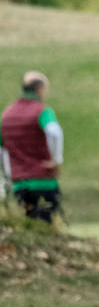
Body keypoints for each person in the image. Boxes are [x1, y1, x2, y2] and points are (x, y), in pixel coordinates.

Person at [1, 71, 65, 224]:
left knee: (30, 227)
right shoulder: (41, 111)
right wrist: (56, 160)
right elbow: (54, 132)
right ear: (40, 90)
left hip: (19, 183)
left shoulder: (7, 115)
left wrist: (8, 174)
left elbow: (1, 149)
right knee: (50, 227)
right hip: (44, 181)